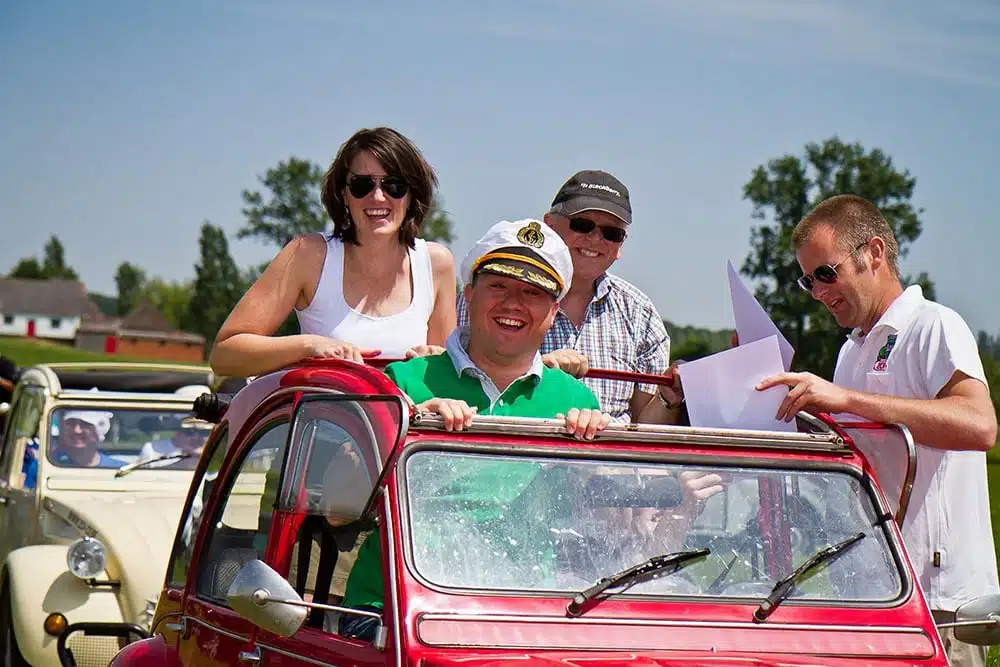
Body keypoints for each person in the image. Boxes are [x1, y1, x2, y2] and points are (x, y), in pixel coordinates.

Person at [337, 218, 614, 641]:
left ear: (554, 311)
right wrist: (407, 424)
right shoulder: (403, 381)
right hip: (395, 610)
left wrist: (598, 459)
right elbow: (339, 506)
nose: (513, 304)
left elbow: (605, 532)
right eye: (498, 286)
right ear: (469, 294)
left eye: (533, 293)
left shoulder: (579, 402)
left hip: (524, 612)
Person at [756, 194, 998, 667]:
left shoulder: (934, 326)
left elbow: (980, 425)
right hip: (874, 594)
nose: (818, 292)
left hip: (939, 605)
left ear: (874, 253)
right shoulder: (851, 351)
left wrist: (847, 400)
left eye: (826, 273)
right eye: (807, 281)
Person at [209, 126, 457, 378]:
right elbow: (224, 355)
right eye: (362, 185)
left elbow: (448, 376)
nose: (378, 197)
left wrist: (436, 360)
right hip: (323, 404)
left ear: (412, 193)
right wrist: (310, 346)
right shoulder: (307, 254)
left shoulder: (436, 264)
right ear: (343, 194)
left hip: (407, 406)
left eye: (394, 185)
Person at [457, 170, 681, 425]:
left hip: (610, 449)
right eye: (582, 225)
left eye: (612, 233)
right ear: (549, 225)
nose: (595, 239)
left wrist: (668, 397)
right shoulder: (486, 298)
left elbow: (644, 426)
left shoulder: (641, 313)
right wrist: (535, 371)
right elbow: (454, 377)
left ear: (621, 245)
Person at [49, 410, 126, 468]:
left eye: (85, 424)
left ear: (100, 430)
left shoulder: (120, 470)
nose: (77, 430)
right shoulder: (48, 463)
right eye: (70, 423)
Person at [136, 416, 213, 468]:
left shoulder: (212, 452)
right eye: (190, 431)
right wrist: (182, 462)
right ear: (177, 431)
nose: (196, 437)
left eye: (204, 432)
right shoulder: (152, 449)